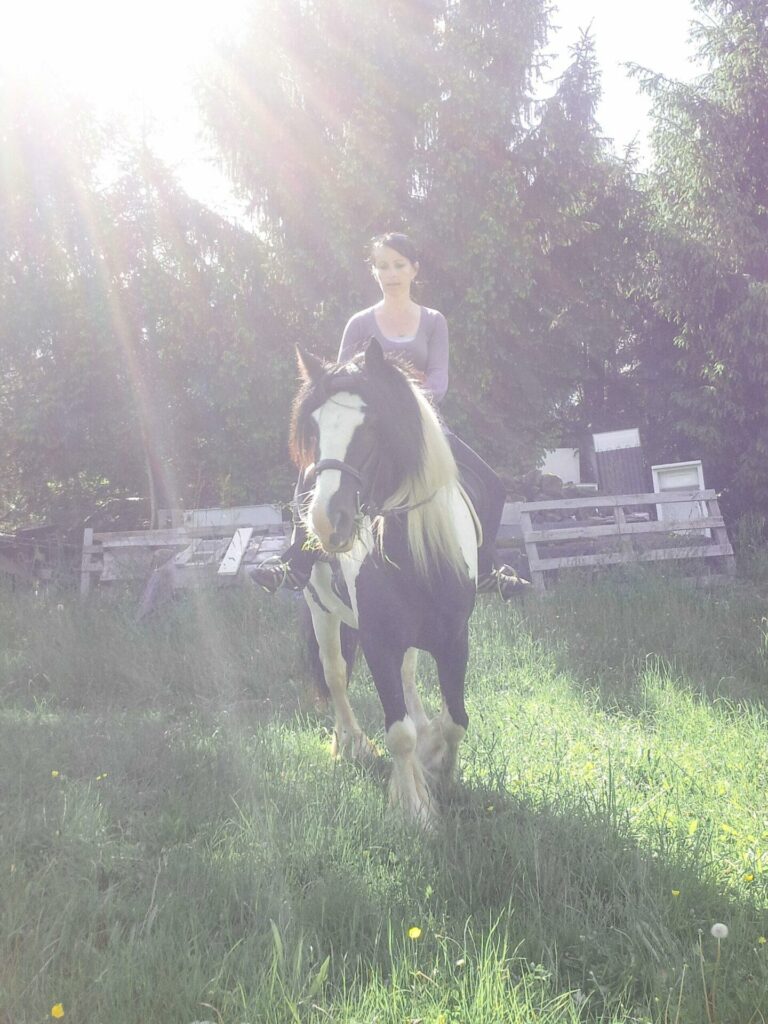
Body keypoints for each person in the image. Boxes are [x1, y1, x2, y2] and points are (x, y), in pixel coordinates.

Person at [251, 231, 525, 599]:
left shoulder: (433, 321)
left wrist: (409, 404)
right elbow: (340, 378)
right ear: (374, 272)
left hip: (423, 427)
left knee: (491, 485)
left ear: (414, 269)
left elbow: (440, 375)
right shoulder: (359, 323)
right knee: (312, 474)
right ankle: (296, 563)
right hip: (369, 428)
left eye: (399, 265)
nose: (391, 273)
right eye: (383, 266)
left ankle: (487, 567)